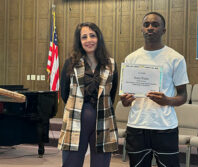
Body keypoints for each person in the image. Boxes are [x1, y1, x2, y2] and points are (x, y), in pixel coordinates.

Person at [120, 12, 189, 167]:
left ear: (163, 30)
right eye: (146, 25)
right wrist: (125, 101)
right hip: (137, 126)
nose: (150, 28)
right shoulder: (131, 59)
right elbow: (124, 100)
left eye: (155, 24)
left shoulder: (175, 58)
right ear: (142, 29)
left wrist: (166, 100)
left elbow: (183, 96)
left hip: (164, 127)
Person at [58, 22, 118, 167]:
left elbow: (112, 93)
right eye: (84, 37)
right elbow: (65, 93)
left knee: (101, 164)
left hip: (103, 121)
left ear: (99, 38)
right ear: (79, 41)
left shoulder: (111, 64)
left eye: (92, 35)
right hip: (76, 122)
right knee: (71, 163)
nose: (89, 40)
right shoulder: (70, 63)